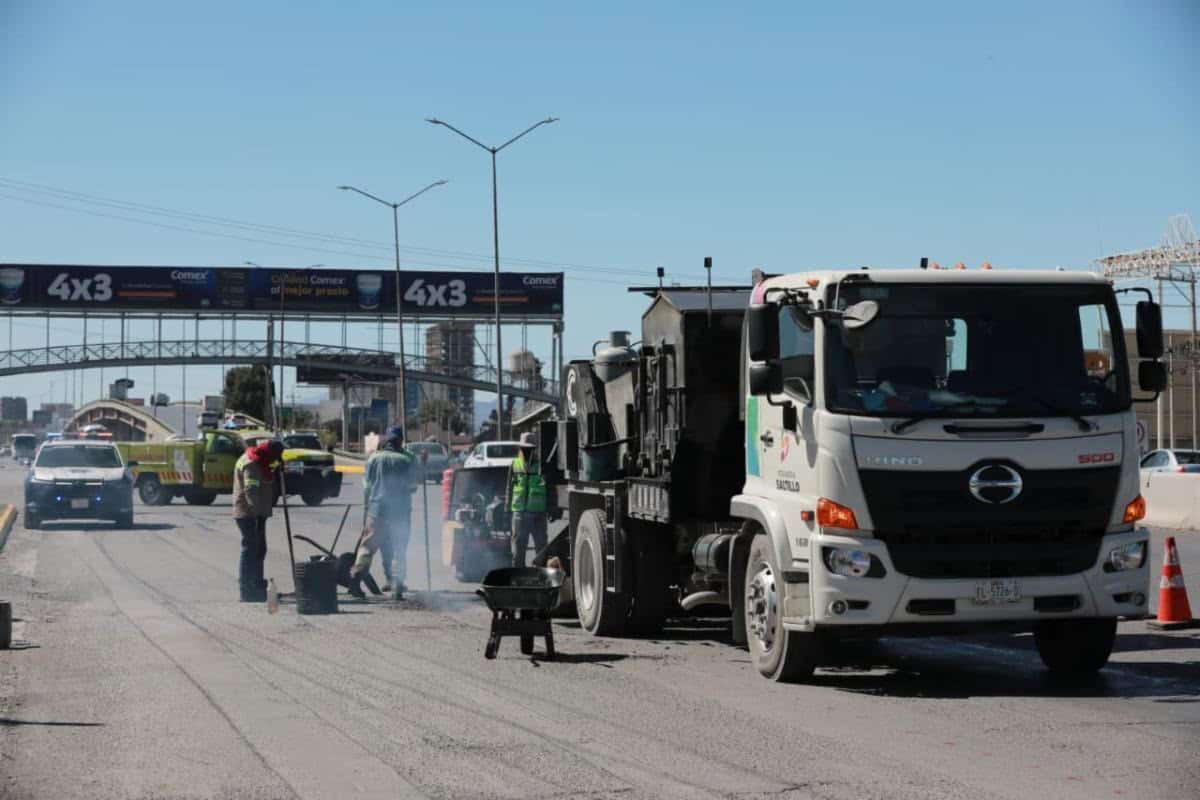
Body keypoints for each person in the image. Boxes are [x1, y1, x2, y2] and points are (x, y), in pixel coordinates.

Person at [352, 426, 416, 600]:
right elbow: (413, 486)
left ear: (386, 440)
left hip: (377, 509)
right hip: (400, 512)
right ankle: (397, 588)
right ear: (401, 440)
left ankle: (355, 581)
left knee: (367, 547)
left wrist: (368, 507)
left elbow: (367, 486)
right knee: (399, 549)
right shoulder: (407, 459)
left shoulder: (374, 458)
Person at [233, 439, 284, 602]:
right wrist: (255, 515)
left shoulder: (260, 459)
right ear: (269, 454)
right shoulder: (252, 464)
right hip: (249, 514)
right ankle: (247, 589)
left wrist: (278, 469)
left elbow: (267, 472)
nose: (275, 461)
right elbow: (251, 490)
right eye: (275, 457)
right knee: (250, 550)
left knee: (260, 549)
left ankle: (257, 584)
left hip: (257, 513)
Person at [507, 432, 548, 567]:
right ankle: (518, 575)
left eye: (529, 448)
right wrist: (506, 509)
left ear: (534, 449)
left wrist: (552, 508)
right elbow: (509, 487)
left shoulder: (542, 465)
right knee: (518, 547)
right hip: (519, 513)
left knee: (541, 547)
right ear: (520, 448)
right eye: (524, 448)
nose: (526, 451)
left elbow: (550, 488)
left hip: (538, 513)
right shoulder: (514, 464)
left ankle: (541, 575)